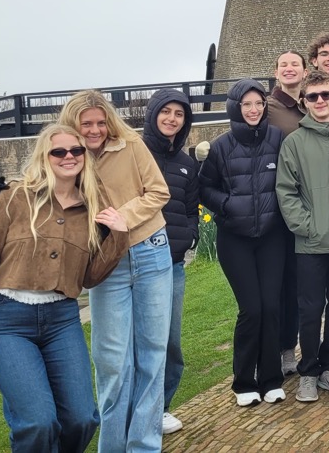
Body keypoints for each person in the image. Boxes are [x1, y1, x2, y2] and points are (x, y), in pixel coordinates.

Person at [0, 124, 130, 453]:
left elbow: (90, 277)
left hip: (61, 319)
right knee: (38, 421)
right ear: (44, 157)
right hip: (6, 322)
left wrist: (118, 236)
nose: (68, 156)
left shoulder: (91, 208)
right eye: (58, 151)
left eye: (76, 150)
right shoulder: (13, 199)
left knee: (82, 419)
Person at [58, 90, 171, 453]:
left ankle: (144, 445)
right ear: (72, 125)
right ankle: (112, 446)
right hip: (107, 263)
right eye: (86, 124)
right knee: (111, 361)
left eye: (100, 122)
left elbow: (158, 192)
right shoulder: (68, 158)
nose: (95, 130)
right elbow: (41, 190)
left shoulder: (131, 145)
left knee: (152, 354)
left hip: (150, 250)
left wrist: (123, 216)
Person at [276, 70, 329, 402]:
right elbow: (286, 191)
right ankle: (309, 371)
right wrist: (307, 227)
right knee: (311, 310)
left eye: (326, 94)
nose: (320, 101)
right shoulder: (294, 143)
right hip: (311, 243)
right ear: (305, 101)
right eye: (313, 96)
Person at [200, 79, 288, 407]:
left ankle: (271, 379)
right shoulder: (220, 146)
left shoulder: (277, 139)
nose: (253, 110)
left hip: (271, 236)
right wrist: (227, 204)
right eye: (247, 104)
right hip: (235, 238)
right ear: (235, 107)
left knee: (272, 307)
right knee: (251, 309)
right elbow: (204, 188)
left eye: (259, 104)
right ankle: (244, 382)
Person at [141, 90, 200, 433]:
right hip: (136, 261)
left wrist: (190, 234)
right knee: (139, 341)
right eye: (166, 112)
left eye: (179, 114)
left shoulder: (186, 163)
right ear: (153, 114)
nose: (172, 119)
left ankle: (161, 407)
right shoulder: (134, 156)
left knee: (170, 341)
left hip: (172, 263)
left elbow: (191, 208)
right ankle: (136, 409)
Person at [266, 50, 309, 376]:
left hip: (305, 203)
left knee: (296, 284)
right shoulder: (268, 108)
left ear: (305, 71)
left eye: (296, 64)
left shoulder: (310, 104)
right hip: (276, 203)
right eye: (284, 65)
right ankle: (277, 349)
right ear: (276, 72)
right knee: (277, 285)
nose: (290, 69)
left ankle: (290, 347)